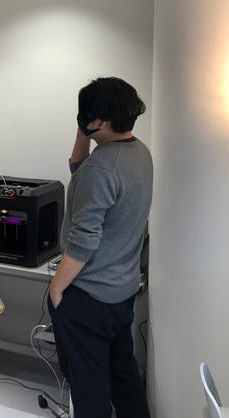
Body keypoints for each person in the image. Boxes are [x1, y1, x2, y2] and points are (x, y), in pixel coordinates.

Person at [48, 76, 152, 418]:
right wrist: (84, 132)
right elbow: (79, 171)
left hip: (88, 296)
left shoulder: (102, 167)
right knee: (123, 375)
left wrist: (57, 288)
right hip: (121, 290)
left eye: (86, 114)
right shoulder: (138, 153)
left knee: (88, 387)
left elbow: (84, 239)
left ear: (102, 121)